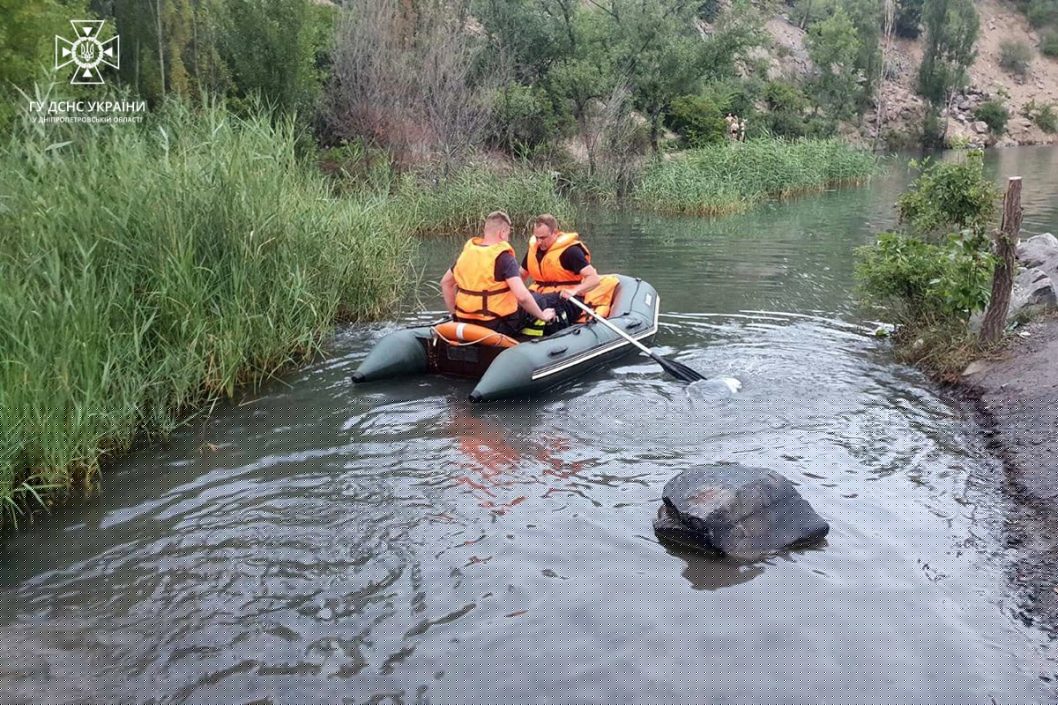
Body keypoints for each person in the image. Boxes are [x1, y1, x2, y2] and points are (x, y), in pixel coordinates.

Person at [441, 210, 556, 338]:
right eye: (508, 234)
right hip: (496, 324)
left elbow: (446, 283)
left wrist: (455, 316)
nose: (508, 238)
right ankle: (531, 342)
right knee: (539, 300)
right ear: (502, 233)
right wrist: (542, 316)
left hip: (465, 320)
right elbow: (522, 297)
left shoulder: (466, 254)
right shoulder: (504, 257)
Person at [520, 214, 618, 331]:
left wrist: (574, 290)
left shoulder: (571, 252)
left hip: (567, 299)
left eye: (543, 238)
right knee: (523, 303)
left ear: (554, 233)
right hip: (540, 295)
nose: (539, 242)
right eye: (537, 237)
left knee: (536, 302)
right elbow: (520, 275)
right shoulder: (534, 249)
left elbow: (594, 279)